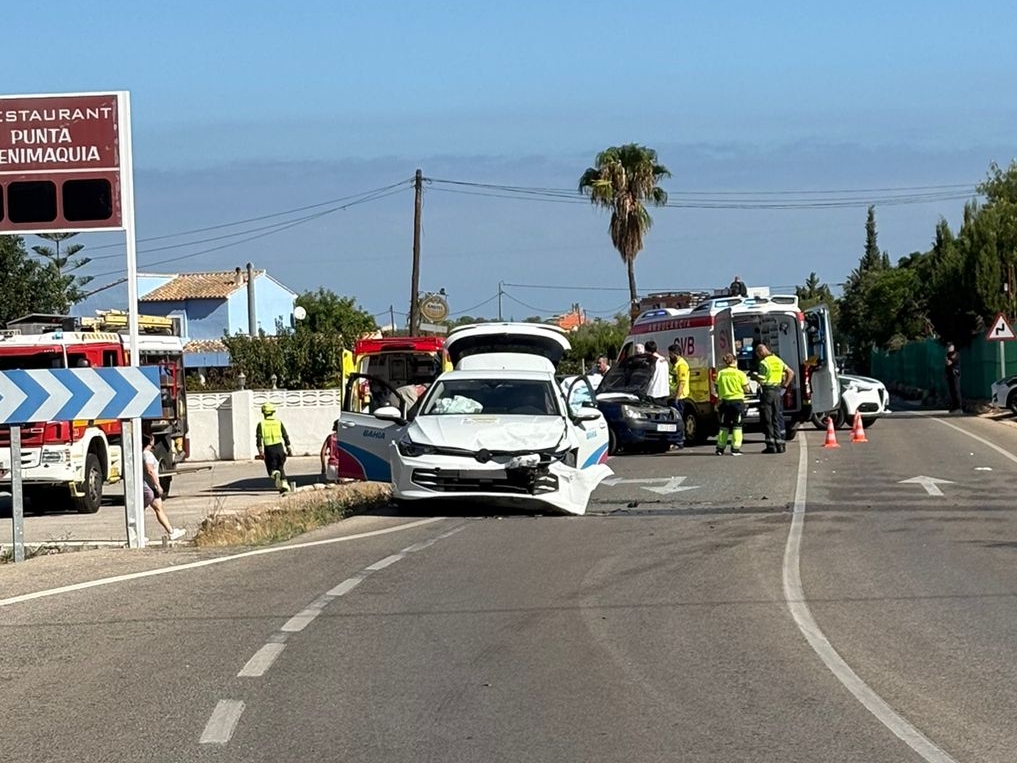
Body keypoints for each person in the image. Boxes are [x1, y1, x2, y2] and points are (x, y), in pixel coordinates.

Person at [142, 434, 185, 540]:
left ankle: (171, 532)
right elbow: (150, 471)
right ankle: (139, 535)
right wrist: (158, 485)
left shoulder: (143, 454)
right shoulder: (147, 455)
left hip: (151, 486)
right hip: (149, 487)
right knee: (140, 510)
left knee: (159, 508)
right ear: (150, 441)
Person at [755, 342, 794, 454]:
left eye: (758, 354)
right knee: (776, 418)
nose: (758, 356)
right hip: (777, 391)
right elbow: (791, 372)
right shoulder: (778, 360)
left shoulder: (764, 363)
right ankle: (780, 445)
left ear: (761, 352)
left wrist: (754, 377)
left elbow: (762, 380)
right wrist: (785, 386)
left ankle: (771, 446)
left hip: (767, 392)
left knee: (768, 419)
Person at [714, 353, 751, 456]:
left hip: (725, 402)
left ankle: (720, 448)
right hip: (737, 402)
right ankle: (735, 449)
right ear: (735, 361)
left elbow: (717, 387)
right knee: (737, 426)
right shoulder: (740, 374)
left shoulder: (721, 373)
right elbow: (747, 389)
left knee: (724, 426)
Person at [256, 402, 293, 493]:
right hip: (279, 447)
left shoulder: (261, 424)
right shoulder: (278, 422)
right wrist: (288, 448)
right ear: (273, 412)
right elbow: (285, 436)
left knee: (271, 469)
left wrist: (260, 451)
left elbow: (259, 438)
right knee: (280, 467)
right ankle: (285, 485)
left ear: (263, 412)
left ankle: (275, 474)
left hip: (269, 449)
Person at [667, 343, 690, 449]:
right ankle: (673, 440)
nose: (669, 356)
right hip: (673, 396)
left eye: (670, 354)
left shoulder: (682, 365)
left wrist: (677, 396)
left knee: (677, 420)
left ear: (675, 354)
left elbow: (682, 382)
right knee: (672, 420)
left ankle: (678, 441)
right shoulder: (675, 364)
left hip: (679, 397)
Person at [644, 340, 671, 406]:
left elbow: (647, 376)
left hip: (653, 392)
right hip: (664, 392)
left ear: (647, 351)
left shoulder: (651, 361)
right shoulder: (663, 360)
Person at [945, 342, 962, 413]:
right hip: (949, 374)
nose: (948, 348)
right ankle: (954, 407)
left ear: (953, 347)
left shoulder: (955, 354)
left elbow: (949, 363)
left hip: (955, 374)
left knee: (956, 390)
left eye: (950, 347)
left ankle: (959, 407)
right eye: (948, 347)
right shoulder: (947, 355)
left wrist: (947, 361)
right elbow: (947, 365)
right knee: (951, 391)